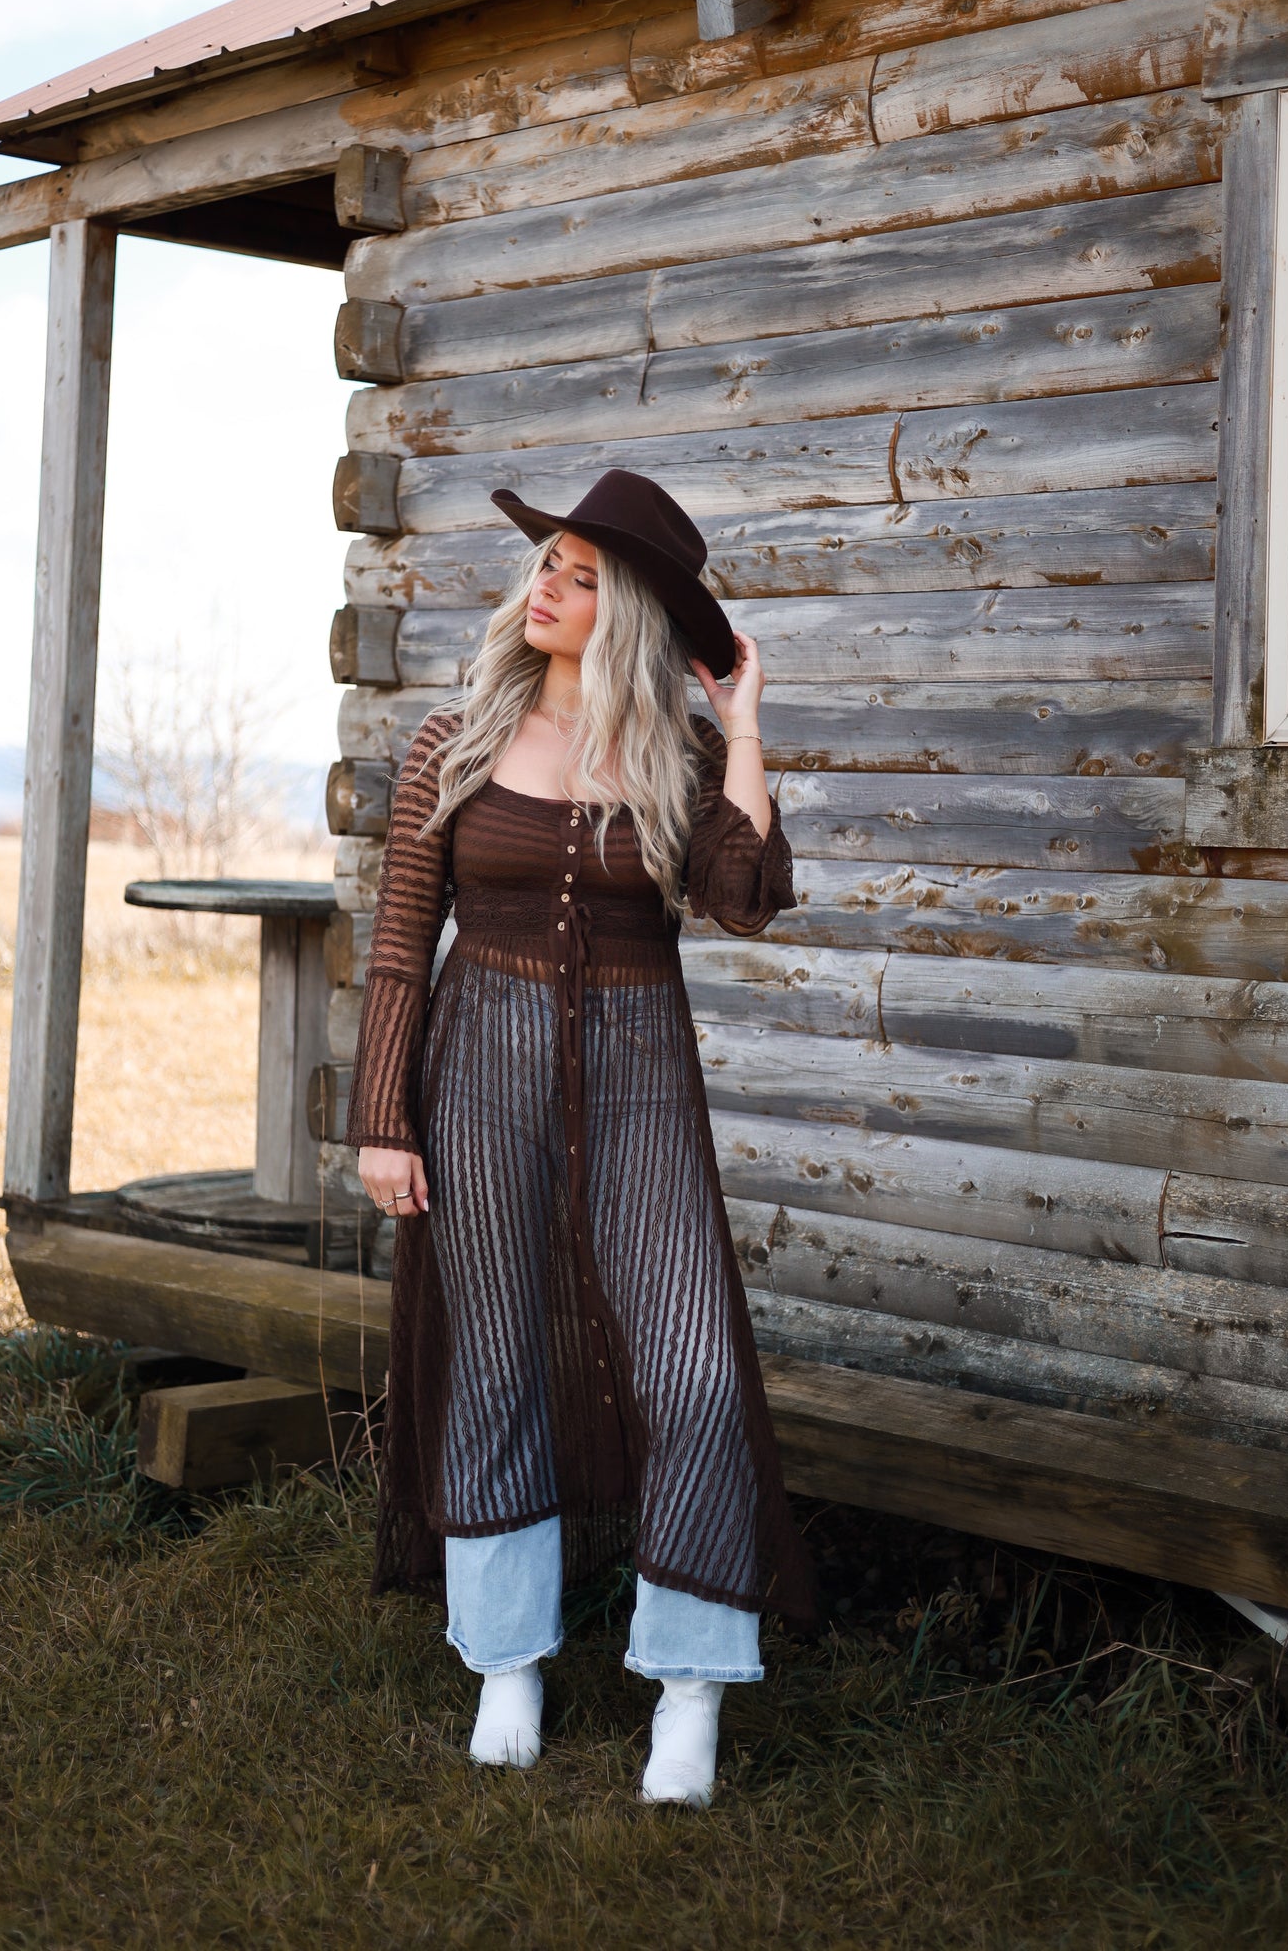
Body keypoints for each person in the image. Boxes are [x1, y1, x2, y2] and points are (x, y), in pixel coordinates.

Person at [345, 468, 816, 1807]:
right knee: (495, 1357)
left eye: (579, 577)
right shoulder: (454, 737)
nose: (542, 589)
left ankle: (688, 1684)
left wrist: (742, 725)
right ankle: (506, 1659)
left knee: (695, 1371)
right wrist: (381, 1115)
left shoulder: (669, 752)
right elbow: (395, 948)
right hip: (475, 1063)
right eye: (545, 564)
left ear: (634, 618)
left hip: (638, 1070)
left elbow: (743, 900)